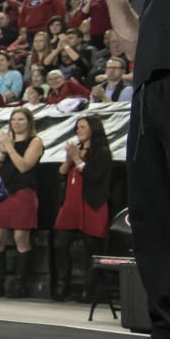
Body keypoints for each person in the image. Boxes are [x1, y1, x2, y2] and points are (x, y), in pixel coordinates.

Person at [52, 114, 113, 303]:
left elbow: (94, 176)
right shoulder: (76, 150)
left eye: (83, 127)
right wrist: (71, 158)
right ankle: (63, 286)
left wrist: (77, 159)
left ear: (93, 129)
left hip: (91, 203)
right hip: (71, 203)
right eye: (77, 127)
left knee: (91, 247)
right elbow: (62, 171)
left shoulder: (101, 151)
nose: (78, 130)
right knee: (60, 244)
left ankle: (91, 289)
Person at [0, 106, 44, 298]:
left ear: (28, 122)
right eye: (13, 120)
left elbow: (24, 166)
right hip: (3, 193)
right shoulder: (7, 142)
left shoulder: (35, 142)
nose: (16, 123)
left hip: (23, 193)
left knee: (21, 239)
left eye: (20, 119)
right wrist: (2, 151)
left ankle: (20, 284)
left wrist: (10, 148)